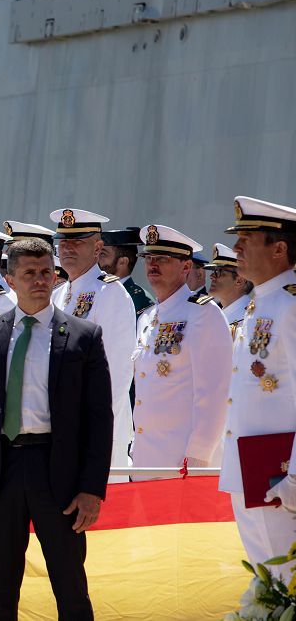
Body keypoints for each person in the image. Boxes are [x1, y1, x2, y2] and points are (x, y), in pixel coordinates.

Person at [0, 238, 113, 620]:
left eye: (46, 272)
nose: (40, 280)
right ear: (10, 278)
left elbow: (99, 418)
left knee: (71, 587)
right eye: (29, 273)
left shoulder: (83, 336)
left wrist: (92, 489)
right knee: (1, 591)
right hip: (0, 471)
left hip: (57, 472)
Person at [220, 196, 296, 575]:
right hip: (251, 468)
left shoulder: (290, 304)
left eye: (246, 239)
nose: (235, 248)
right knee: (267, 582)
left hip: (281, 475)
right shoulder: (258, 303)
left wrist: (295, 477)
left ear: (279, 249)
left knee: (285, 581)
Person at [131, 225, 232, 475]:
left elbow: (214, 392)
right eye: (149, 258)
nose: (153, 265)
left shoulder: (204, 313)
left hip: (181, 461)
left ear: (186, 267)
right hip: (145, 456)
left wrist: (199, 455)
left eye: (163, 259)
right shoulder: (147, 318)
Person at [50, 207, 136, 482]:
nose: (67, 249)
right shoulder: (59, 294)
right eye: (63, 242)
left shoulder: (111, 293)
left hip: (92, 431)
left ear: (97, 247)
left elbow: (117, 373)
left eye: (77, 242)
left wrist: (92, 430)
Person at [99, 227, 154, 315]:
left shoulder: (139, 300)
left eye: (103, 254)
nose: (97, 258)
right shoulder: (97, 290)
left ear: (123, 262)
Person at [206, 242, 253, 336]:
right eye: (214, 271)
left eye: (218, 272)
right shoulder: (214, 316)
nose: (212, 276)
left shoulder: (250, 318)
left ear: (239, 280)